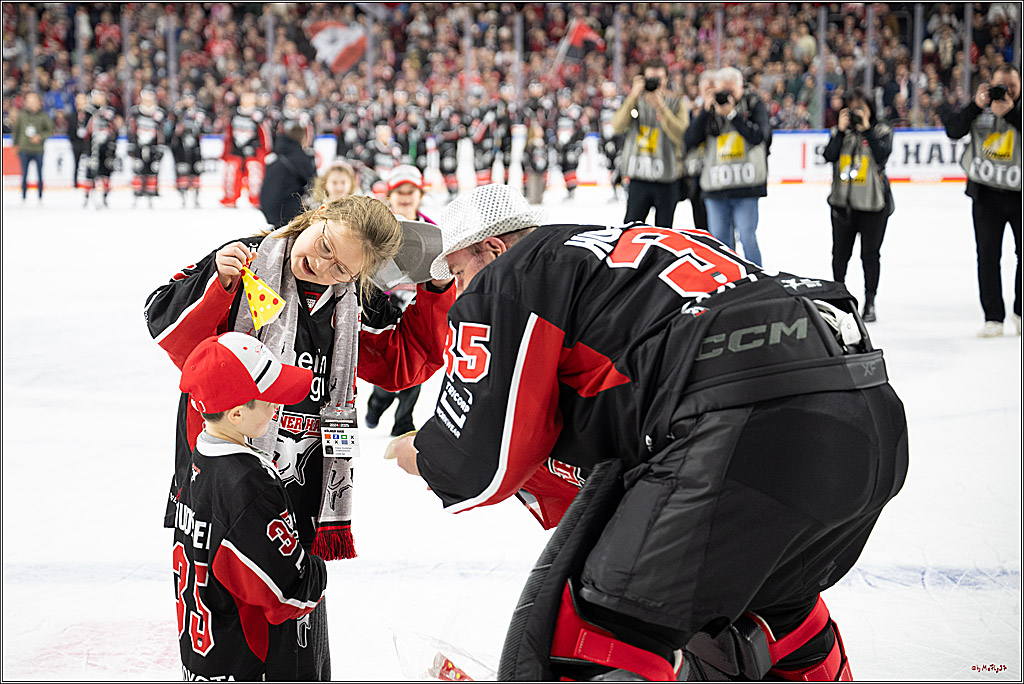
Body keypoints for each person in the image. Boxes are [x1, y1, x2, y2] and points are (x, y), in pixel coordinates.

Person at [390, 184, 908, 681]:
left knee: (604, 626)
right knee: (776, 610)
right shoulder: (637, 249)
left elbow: (482, 458)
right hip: (866, 419)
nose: (459, 291)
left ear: (492, 249)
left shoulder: (513, 272)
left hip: (744, 427)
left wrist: (424, 452)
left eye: (458, 273)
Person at [146, 195, 455, 680]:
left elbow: (404, 361)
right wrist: (218, 284)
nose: (322, 263)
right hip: (226, 474)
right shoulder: (246, 260)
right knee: (229, 620)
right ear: (317, 217)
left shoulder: (351, 306)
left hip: (302, 488)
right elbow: (171, 336)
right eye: (325, 244)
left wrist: (436, 290)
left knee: (292, 622)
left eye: (341, 268)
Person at [175, 332, 327, 681]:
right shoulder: (248, 484)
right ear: (237, 414)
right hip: (248, 665)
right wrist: (315, 567)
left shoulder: (199, 459)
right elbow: (290, 594)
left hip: (206, 660)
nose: (278, 407)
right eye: (269, 400)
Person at [943, 63, 1022, 337]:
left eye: (1012, 86)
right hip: (986, 195)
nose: (1006, 92)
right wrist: (975, 106)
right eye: (1001, 86)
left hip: (1019, 196)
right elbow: (953, 129)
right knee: (987, 256)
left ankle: (1021, 312)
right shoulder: (980, 107)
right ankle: (993, 317)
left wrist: (1011, 114)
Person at [365, 165, 433, 436]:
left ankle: (404, 420)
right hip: (386, 309)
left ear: (420, 195)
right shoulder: (381, 228)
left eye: (411, 192)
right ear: (389, 195)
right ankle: (377, 403)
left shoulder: (431, 230)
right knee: (389, 367)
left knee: (414, 367)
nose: (405, 197)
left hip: (416, 310)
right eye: (399, 192)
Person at [686, 66, 771, 266]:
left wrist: (733, 114)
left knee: (748, 238)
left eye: (731, 91)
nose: (726, 96)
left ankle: (757, 281)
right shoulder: (710, 109)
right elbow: (689, 140)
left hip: (746, 186)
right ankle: (728, 283)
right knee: (720, 243)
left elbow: (759, 136)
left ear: (741, 87)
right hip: (716, 188)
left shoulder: (753, 103)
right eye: (722, 91)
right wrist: (706, 111)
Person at [823, 89, 894, 323]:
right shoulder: (839, 132)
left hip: (874, 206)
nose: (856, 114)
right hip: (843, 205)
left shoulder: (881, 130)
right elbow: (828, 155)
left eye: (861, 108)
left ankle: (870, 301)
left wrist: (867, 129)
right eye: (852, 109)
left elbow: (882, 155)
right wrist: (841, 131)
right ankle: (839, 298)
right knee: (840, 255)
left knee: (870, 255)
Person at [612, 59, 688, 228]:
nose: (655, 83)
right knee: (631, 231)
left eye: (658, 79)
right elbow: (617, 126)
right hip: (639, 178)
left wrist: (661, 108)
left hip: (667, 179)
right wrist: (633, 95)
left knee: (664, 233)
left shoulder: (676, 103)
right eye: (650, 79)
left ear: (667, 79)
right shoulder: (634, 102)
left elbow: (681, 135)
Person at [260, 120, 317, 228]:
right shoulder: (300, 157)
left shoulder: (278, 153)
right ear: (303, 138)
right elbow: (314, 182)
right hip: (286, 210)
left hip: (269, 208)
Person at [220, 91, 270, 208]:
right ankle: (230, 198)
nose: (247, 101)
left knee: (255, 177)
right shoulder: (234, 114)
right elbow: (228, 134)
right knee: (231, 175)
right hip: (236, 151)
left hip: (253, 151)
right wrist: (226, 152)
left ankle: (256, 199)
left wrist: (264, 151)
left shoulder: (258, 116)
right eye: (245, 98)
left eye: (250, 98)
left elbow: (264, 134)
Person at [169, 88, 209, 208]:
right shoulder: (178, 112)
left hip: (195, 145)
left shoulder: (199, 112)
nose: (187, 101)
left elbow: (201, 127)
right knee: (181, 169)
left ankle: (196, 197)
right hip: (180, 145)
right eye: (185, 98)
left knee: (196, 169)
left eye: (190, 97)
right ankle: (183, 197)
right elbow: (171, 128)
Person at [127, 87, 166, 208]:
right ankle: (137, 195)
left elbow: (161, 130)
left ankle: (151, 194)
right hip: (139, 146)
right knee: (138, 169)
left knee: (153, 169)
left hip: (153, 145)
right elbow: (131, 129)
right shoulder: (135, 111)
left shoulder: (159, 112)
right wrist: (131, 144)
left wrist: (160, 145)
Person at [12, 92, 54, 203]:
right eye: (29, 101)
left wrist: (40, 137)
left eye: (34, 100)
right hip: (24, 149)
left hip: (38, 150)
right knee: (24, 173)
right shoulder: (22, 115)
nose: (32, 103)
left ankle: (40, 195)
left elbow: (50, 131)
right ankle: (24, 196)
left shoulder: (43, 116)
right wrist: (15, 145)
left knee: (40, 173)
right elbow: (16, 131)